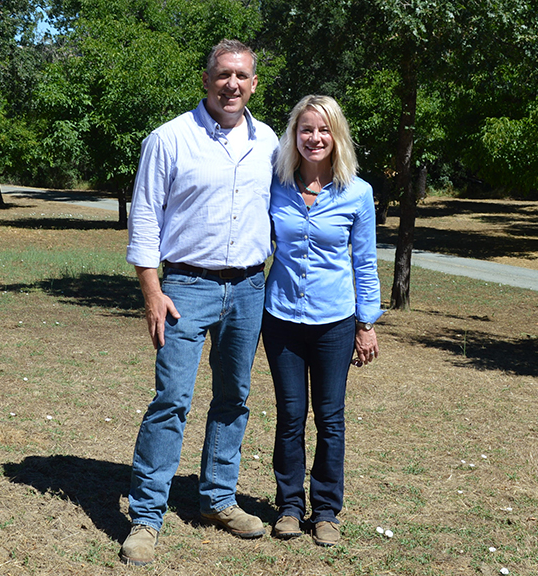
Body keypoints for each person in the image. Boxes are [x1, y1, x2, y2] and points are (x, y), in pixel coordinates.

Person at [121, 39, 278, 566]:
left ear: (253, 84)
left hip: (249, 287)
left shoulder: (268, 142)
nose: (232, 84)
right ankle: (146, 517)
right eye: (223, 74)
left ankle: (217, 499)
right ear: (206, 79)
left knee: (234, 397)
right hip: (185, 288)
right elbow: (145, 217)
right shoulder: (169, 138)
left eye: (242, 75)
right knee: (172, 400)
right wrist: (152, 291)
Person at [261, 95, 382, 547]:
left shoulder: (358, 192)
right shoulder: (275, 184)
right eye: (306, 129)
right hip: (281, 318)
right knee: (290, 415)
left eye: (324, 129)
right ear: (294, 135)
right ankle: (290, 507)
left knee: (330, 418)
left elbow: (365, 262)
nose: (315, 137)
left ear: (337, 136)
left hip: (335, 321)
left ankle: (326, 510)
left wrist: (366, 324)